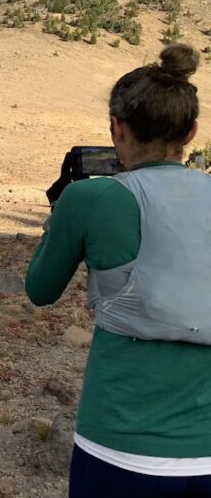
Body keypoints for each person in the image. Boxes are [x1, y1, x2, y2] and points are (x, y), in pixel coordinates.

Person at [26, 43, 211, 497]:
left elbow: (40, 288)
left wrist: (64, 215)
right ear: (191, 132)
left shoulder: (92, 198)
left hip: (121, 440)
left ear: (116, 128)